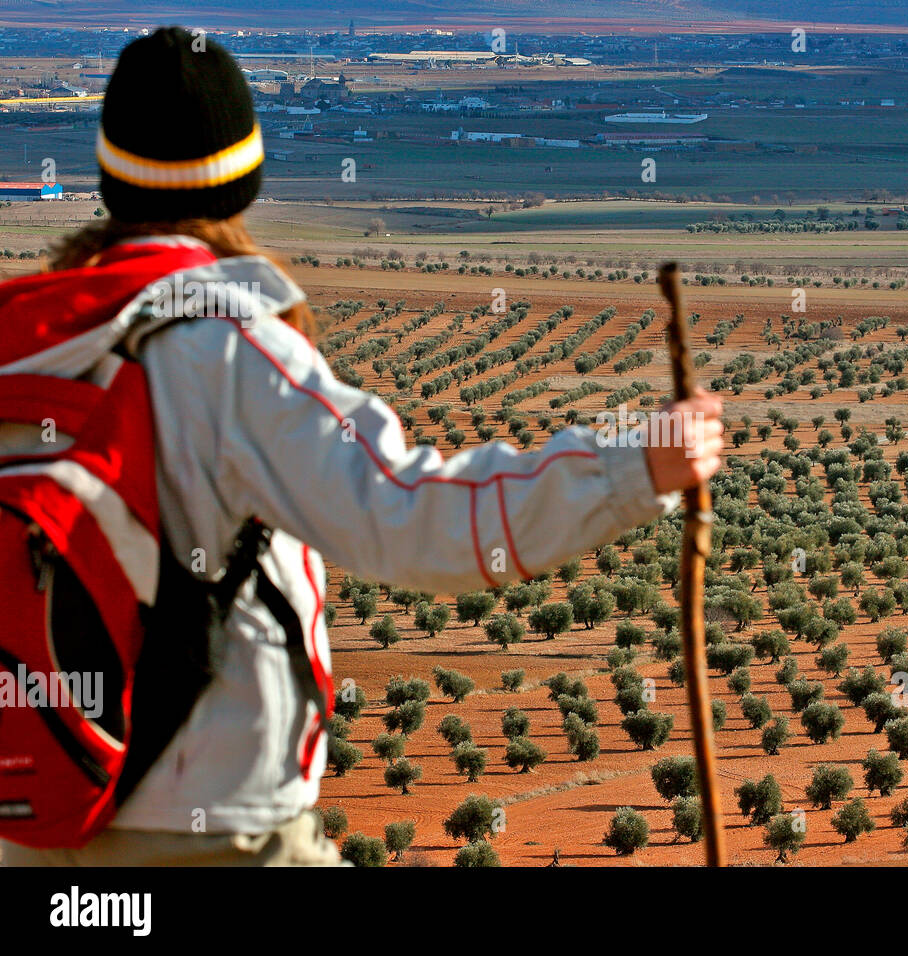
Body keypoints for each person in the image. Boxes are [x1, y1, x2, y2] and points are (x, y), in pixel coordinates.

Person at [0, 27, 722, 866]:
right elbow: (410, 515)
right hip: (217, 831)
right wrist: (633, 468)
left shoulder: (22, 341)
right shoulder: (228, 347)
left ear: (110, 178)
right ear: (244, 182)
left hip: (38, 828)